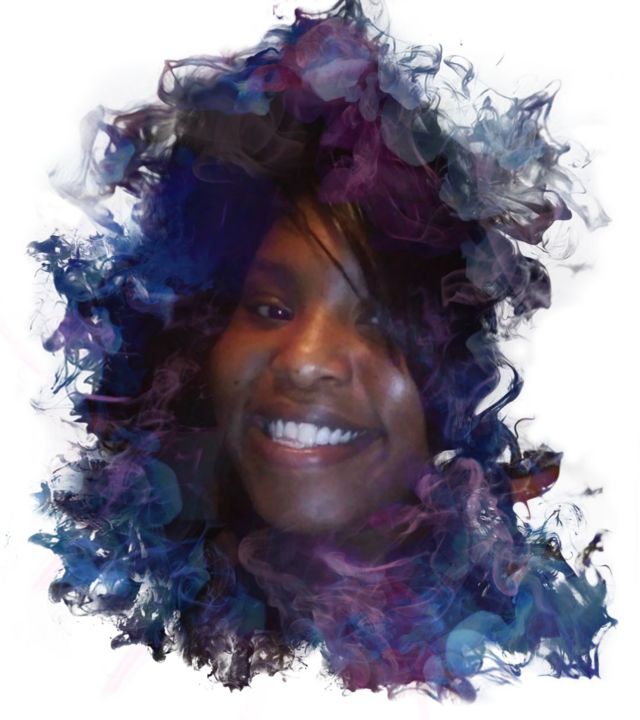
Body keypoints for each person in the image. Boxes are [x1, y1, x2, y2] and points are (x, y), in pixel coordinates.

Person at [30, 0, 613, 700]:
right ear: (196, 342)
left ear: (454, 384)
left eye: (381, 321)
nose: (305, 360)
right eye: (269, 309)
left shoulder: (529, 680)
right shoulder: (93, 655)